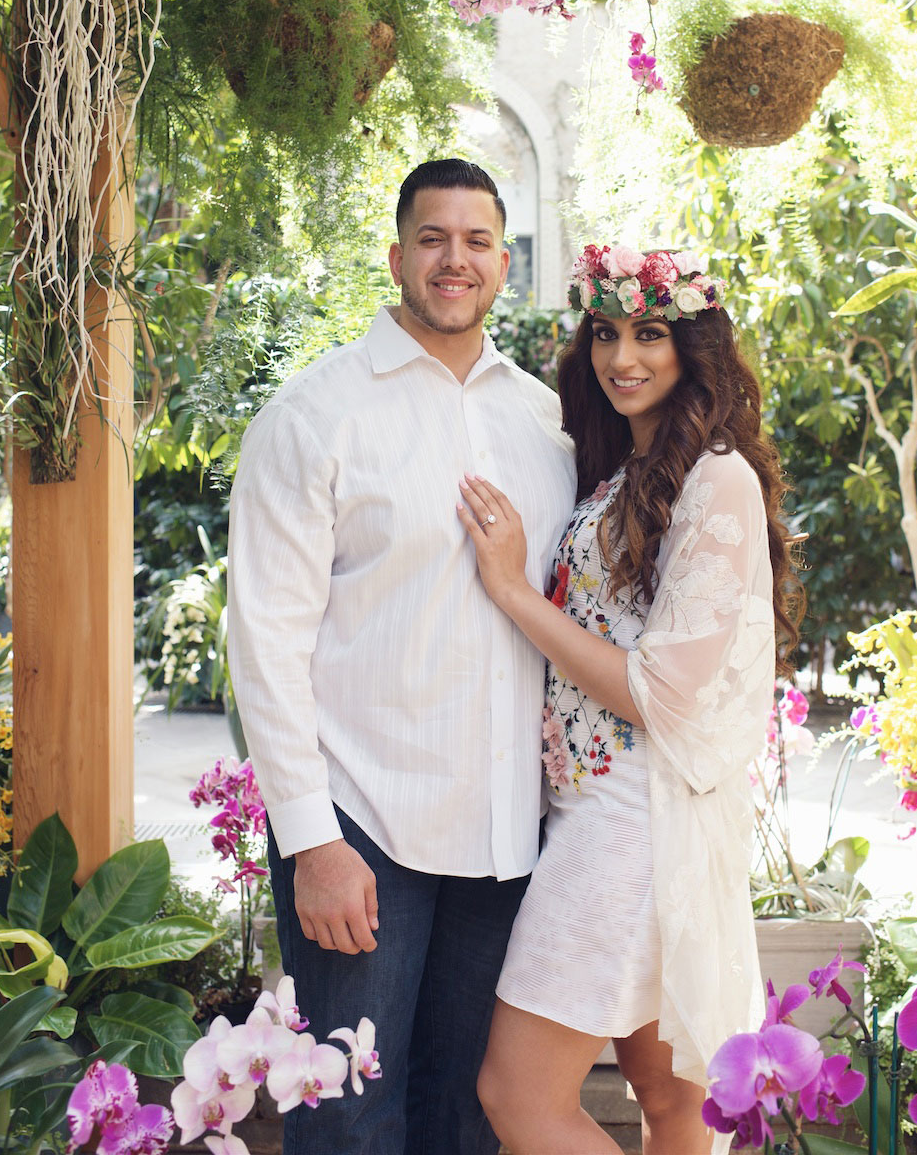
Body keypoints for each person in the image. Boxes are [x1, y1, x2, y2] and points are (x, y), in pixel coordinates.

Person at [225, 158, 576, 1155]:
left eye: (474, 242)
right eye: (432, 238)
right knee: (348, 1116)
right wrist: (312, 840)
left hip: (506, 834)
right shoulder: (315, 415)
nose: (452, 259)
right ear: (396, 257)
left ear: (503, 264)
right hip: (363, 826)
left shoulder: (542, 424)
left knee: (463, 1113)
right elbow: (266, 639)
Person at [456, 242, 802, 1155]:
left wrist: (513, 591)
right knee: (667, 1096)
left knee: (517, 1096)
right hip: (594, 813)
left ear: (695, 346)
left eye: (650, 334)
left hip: (630, 824)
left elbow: (661, 692)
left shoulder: (714, 477)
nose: (622, 358)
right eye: (605, 334)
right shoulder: (622, 473)